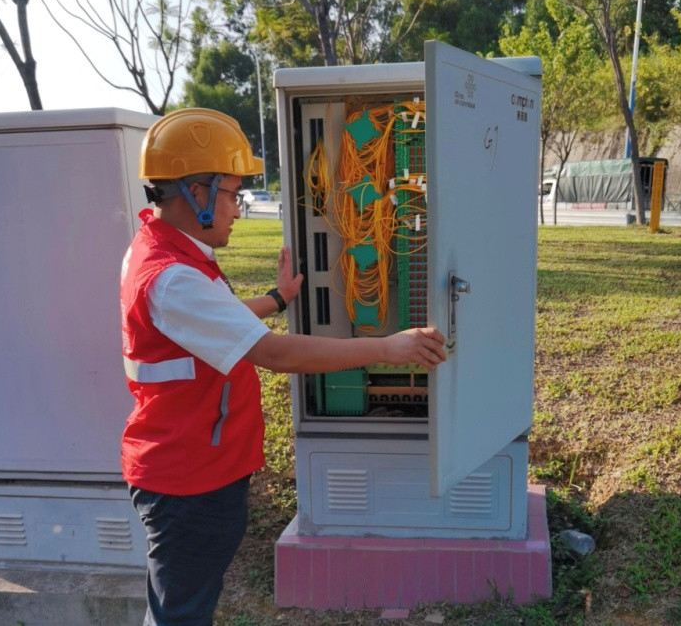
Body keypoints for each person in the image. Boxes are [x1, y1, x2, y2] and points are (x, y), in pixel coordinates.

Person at [120, 107, 447, 626]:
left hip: (193, 468)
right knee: (179, 616)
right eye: (232, 193)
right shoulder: (172, 276)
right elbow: (274, 354)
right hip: (187, 479)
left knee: (181, 608)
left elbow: (213, 319)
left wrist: (277, 298)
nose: (238, 208)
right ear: (197, 192)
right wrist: (387, 347)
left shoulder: (162, 251)